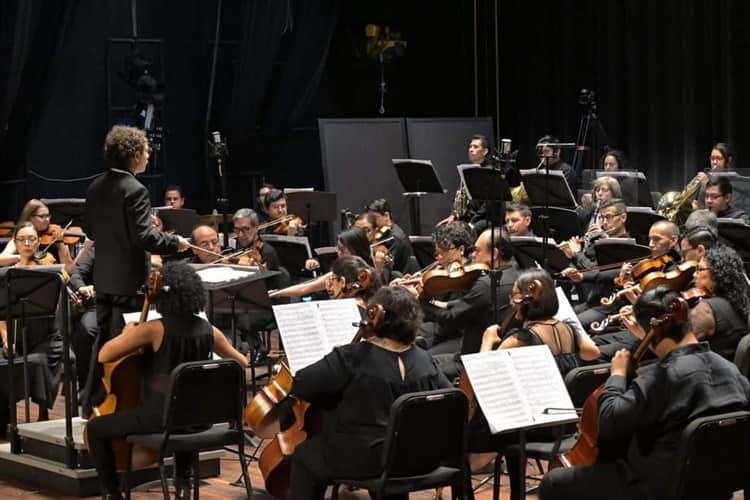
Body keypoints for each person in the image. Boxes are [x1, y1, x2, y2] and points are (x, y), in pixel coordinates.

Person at [539, 286, 750, 500]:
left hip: (655, 488)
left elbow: (609, 422)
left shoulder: (662, 379)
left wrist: (618, 375)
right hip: (714, 489)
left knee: (554, 482)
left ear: (652, 331)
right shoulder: (732, 371)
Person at [85, 262, 247, 500]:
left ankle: (112, 494)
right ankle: (183, 485)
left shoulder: (153, 329)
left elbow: (104, 355)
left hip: (161, 419)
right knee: (183, 407)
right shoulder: (209, 330)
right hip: (199, 419)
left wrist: (128, 333)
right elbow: (240, 363)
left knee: (95, 428)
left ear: (162, 294)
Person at [287, 286, 452, 499]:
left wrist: (338, 356)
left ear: (376, 314)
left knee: (304, 456)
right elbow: (451, 400)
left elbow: (302, 384)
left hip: (368, 460)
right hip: (417, 458)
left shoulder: (352, 357)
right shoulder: (425, 360)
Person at [83, 125, 189, 414]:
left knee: (103, 344)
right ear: (132, 154)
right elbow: (147, 237)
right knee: (130, 347)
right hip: (130, 282)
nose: (148, 154)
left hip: (104, 279)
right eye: (145, 149)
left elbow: (90, 230)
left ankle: (92, 403)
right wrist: (175, 243)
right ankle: (128, 408)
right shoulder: (135, 189)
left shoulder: (95, 186)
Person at [470, 269, 600, 500]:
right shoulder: (568, 329)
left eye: (514, 296)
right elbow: (593, 352)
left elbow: (484, 372)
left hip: (533, 425)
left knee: (467, 433)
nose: (512, 302)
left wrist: (486, 342)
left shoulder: (521, 339)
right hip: (564, 425)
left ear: (528, 300)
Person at [421, 227, 519, 379]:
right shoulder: (515, 276)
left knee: (424, 369)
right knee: (427, 359)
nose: (473, 255)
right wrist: (442, 304)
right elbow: (470, 303)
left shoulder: (486, 284)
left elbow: (450, 319)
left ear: (494, 254)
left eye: (477, 251)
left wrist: (422, 302)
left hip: (472, 360)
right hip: (490, 355)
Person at [0, 223, 67, 430]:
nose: (27, 243)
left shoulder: (49, 268)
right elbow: (1, 315)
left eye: (32, 239)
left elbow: (56, 303)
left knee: (43, 358)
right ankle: (5, 413)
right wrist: (6, 340)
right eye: (22, 239)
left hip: (45, 334)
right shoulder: (7, 274)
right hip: (16, 334)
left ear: (38, 242)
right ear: (15, 243)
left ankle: (43, 410)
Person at [438, 134, 521, 231]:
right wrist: (453, 215)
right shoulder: (467, 171)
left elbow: (489, 205)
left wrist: (471, 223)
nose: (471, 149)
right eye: (470, 146)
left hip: (488, 218)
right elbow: (459, 197)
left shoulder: (490, 172)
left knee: (468, 231)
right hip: (472, 217)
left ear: (485, 151)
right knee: (446, 229)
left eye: (475, 147)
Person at [269, 227, 375, 300]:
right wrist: (278, 293)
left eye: (343, 250)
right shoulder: (339, 272)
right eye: (338, 249)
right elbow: (305, 288)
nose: (339, 253)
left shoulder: (369, 273)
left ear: (356, 249)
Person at [690, 245, 750, 360]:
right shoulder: (740, 301)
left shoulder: (706, 308)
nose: (694, 275)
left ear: (717, 273)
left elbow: (680, 347)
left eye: (699, 269)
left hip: (709, 372)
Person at [0, 199, 73, 271]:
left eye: (48, 216)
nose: (47, 219)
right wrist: (22, 257)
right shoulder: (20, 238)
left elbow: (69, 270)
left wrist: (60, 244)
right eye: (42, 216)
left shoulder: (56, 234)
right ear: (30, 217)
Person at [366, 198, 415, 274]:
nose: (371, 222)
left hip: (396, 279)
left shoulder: (395, 238)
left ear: (386, 215)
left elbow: (386, 268)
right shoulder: (383, 232)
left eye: (374, 218)